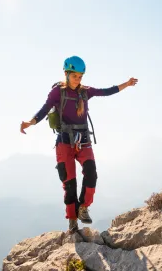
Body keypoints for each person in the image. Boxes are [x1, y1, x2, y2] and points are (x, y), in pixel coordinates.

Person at [20, 56, 138, 232]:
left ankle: (83, 208)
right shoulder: (57, 93)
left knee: (91, 173)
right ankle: (72, 220)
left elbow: (106, 91)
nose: (78, 79)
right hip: (64, 142)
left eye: (81, 76)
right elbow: (45, 109)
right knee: (69, 183)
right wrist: (31, 122)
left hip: (83, 140)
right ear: (66, 73)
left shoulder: (85, 92)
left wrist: (126, 84)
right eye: (75, 76)